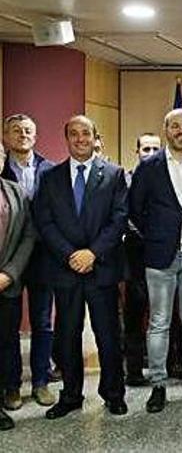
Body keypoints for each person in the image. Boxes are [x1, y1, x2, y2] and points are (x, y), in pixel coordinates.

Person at [34, 115, 128, 419]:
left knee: (108, 335)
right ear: (67, 139)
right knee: (67, 336)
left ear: (94, 136)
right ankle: (71, 395)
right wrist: (70, 255)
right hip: (65, 270)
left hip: (101, 269)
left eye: (85, 133)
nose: (80, 139)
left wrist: (93, 253)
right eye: (73, 134)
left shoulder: (113, 175)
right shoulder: (50, 178)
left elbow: (119, 219)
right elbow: (44, 222)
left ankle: (113, 394)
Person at [129, 108, 182, 413]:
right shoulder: (149, 167)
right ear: (166, 130)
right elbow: (135, 209)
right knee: (159, 324)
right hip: (159, 255)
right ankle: (158, 386)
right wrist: (156, 235)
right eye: (176, 126)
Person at [0, 114, 57, 410]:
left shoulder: (50, 170)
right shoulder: (1, 168)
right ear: (5, 137)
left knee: (42, 322)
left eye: (28, 131)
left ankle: (41, 381)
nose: (23, 135)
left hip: (42, 257)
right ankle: (11, 386)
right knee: (7, 327)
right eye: (16, 131)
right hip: (8, 259)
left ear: (35, 136)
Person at [0, 137, 37, 430]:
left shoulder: (17, 192)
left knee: (7, 341)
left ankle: (8, 390)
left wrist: (10, 273)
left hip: (6, 282)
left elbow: (28, 235)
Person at [122, 132, 162, 386]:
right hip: (135, 256)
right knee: (135, 314)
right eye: (145, 149)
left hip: (164, 255)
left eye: (155, 149)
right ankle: (134, 369)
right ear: (137, 152)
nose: (150, 154)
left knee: (166, 314)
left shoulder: (168, 179)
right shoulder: (124, 180)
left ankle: (169, 364)